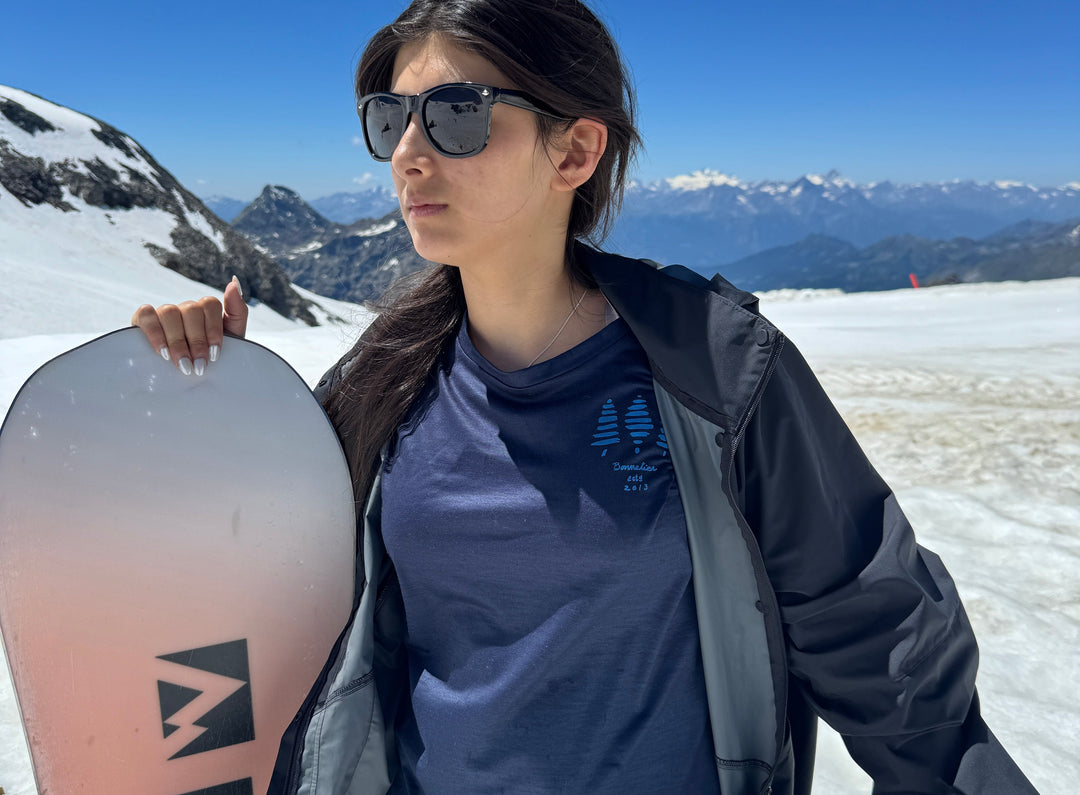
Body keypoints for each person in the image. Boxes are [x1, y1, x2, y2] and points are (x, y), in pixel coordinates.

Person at [133, 1, 1037, 792]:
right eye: (389, 117)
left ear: (575, 150)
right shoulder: (379, 385)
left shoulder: (716, 372)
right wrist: (229, 413)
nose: (406, 153)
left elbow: (890, 658)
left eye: (456, 115)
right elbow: (272, 604)